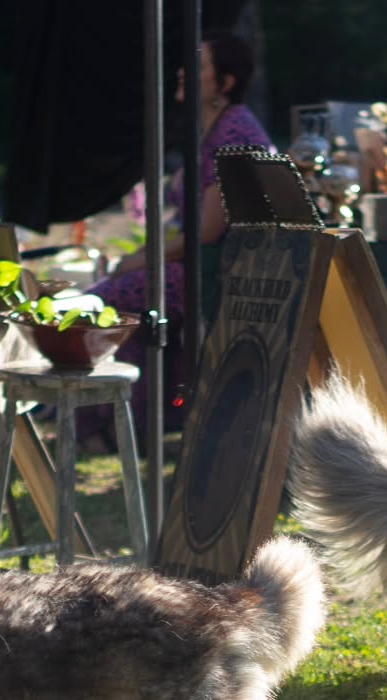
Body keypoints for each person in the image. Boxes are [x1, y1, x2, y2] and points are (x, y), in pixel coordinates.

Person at [82, 31, 273, 443]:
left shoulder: (234, 136)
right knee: (113, 303)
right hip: (200, 266)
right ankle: (120, 425)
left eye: (200, 66)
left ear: (224, 83)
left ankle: (120, 424)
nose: (184, 72)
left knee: (105, 301)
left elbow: (206, 233)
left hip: (219, 273)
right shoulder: (216, 130)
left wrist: (142, 259)